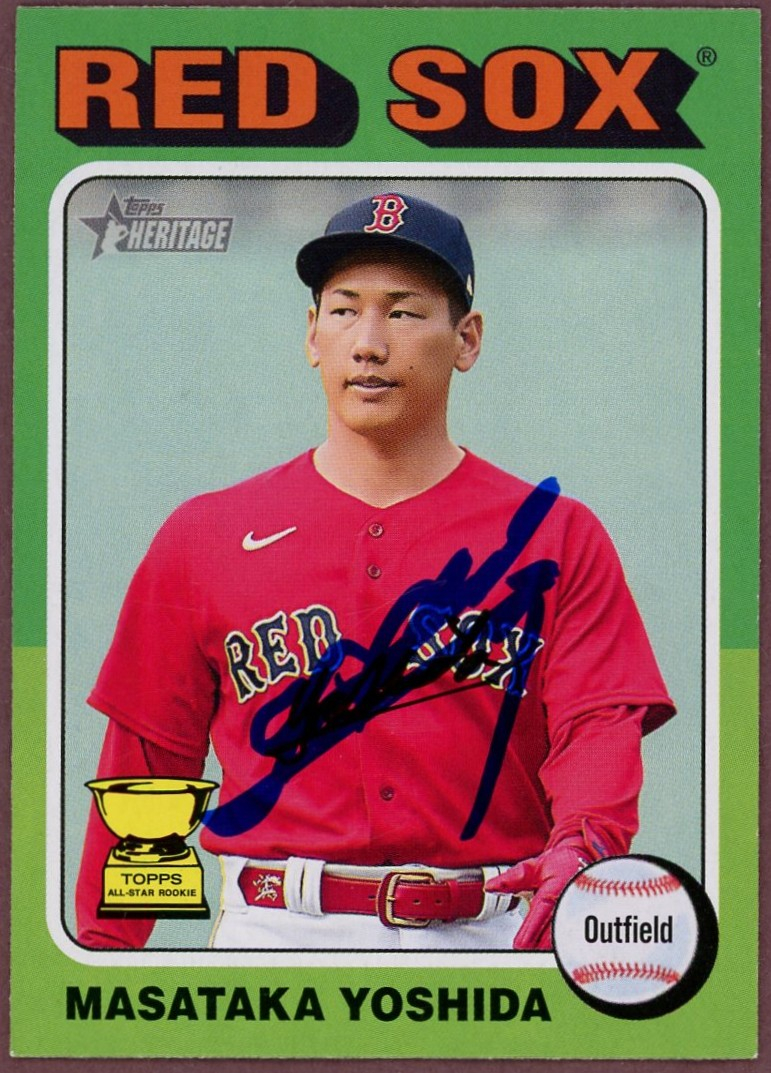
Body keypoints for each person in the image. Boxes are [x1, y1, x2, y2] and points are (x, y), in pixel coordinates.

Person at [76, 191, 675, 951]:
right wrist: (100, 953)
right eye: (343, 310)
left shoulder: (557, 535)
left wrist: (586, 845)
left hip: (494, 929)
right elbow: (145, 767)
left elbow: (597, 728)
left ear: (466, 339)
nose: (368, 343)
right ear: (311, 335)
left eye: (403, 312)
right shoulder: (205, 536)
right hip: (277, 933)